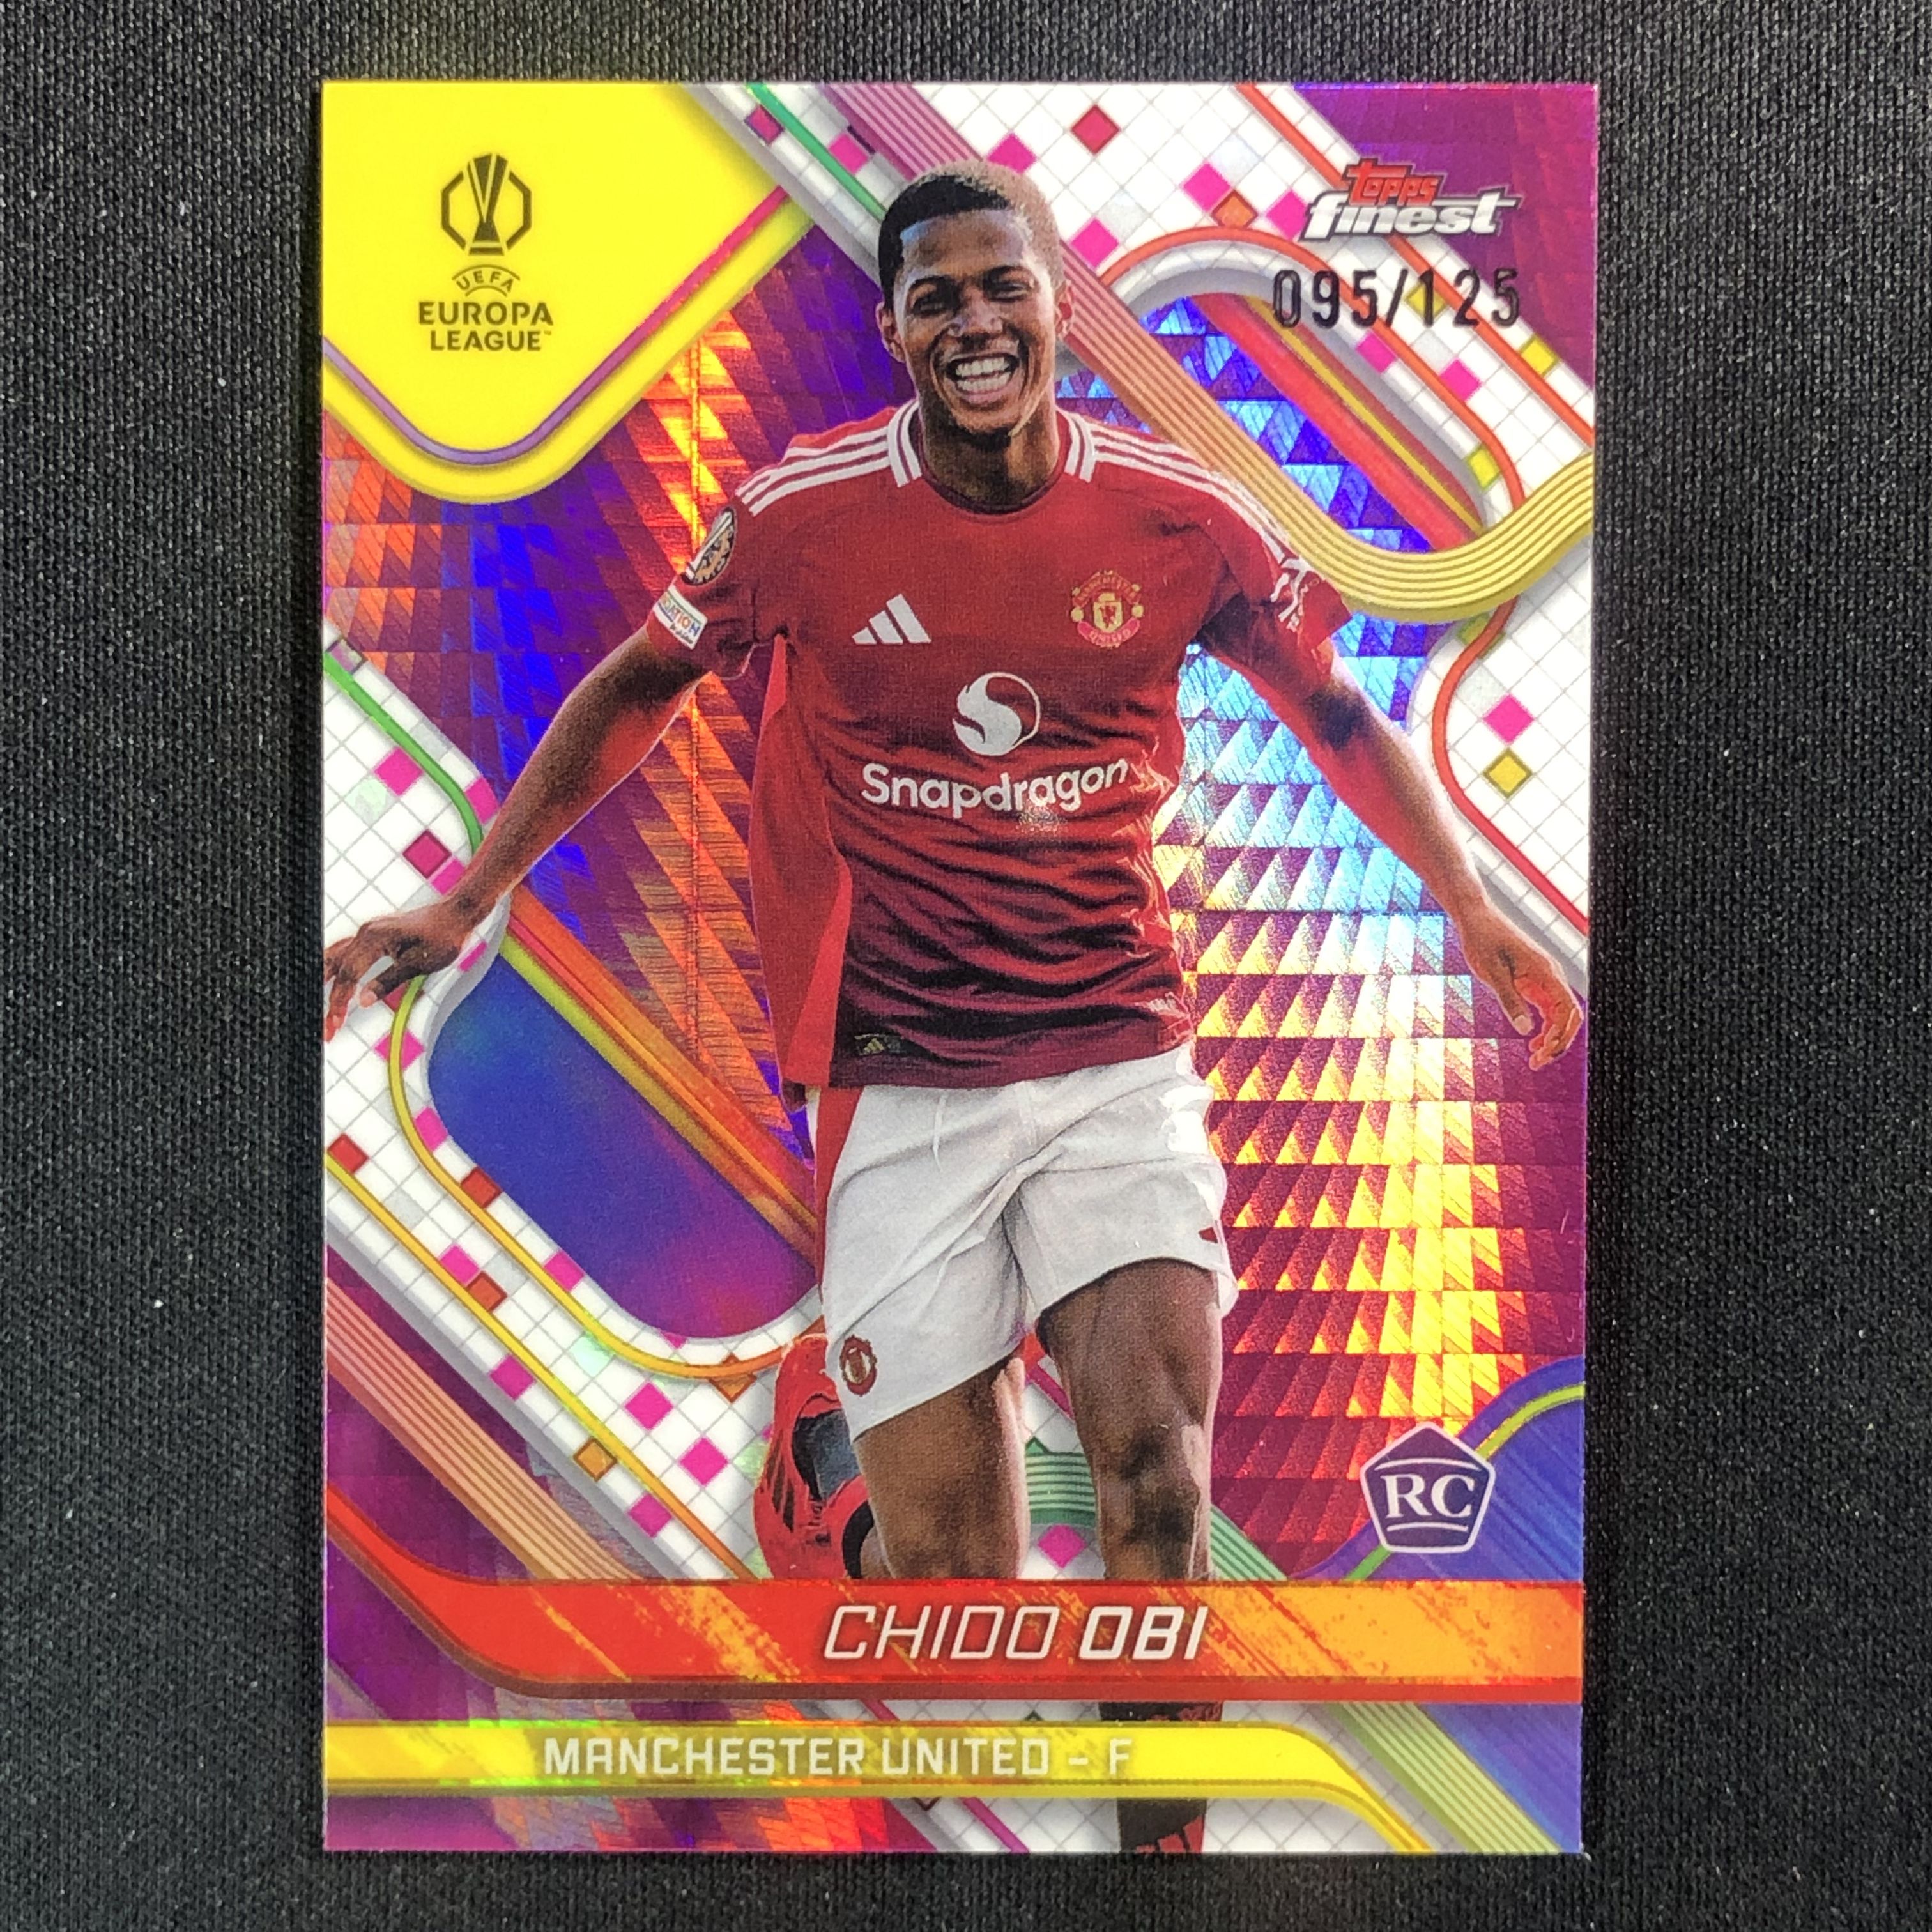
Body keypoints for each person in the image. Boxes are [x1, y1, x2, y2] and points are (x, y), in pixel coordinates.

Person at [323, 161, 1581, 1851]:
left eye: (1005, 286)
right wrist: (466, 894)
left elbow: (1342, 718)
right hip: (903, 1085)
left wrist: (1476, 912)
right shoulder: (804, 517)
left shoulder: (1183, 519)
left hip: (1118, 1061)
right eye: (938, 297)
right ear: (896, 328)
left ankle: (1163, 1864)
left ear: (1057, 305)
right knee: (960, 1640)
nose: (977, 321)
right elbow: (639, 681)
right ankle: (839, 1482)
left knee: (1158, 1482)